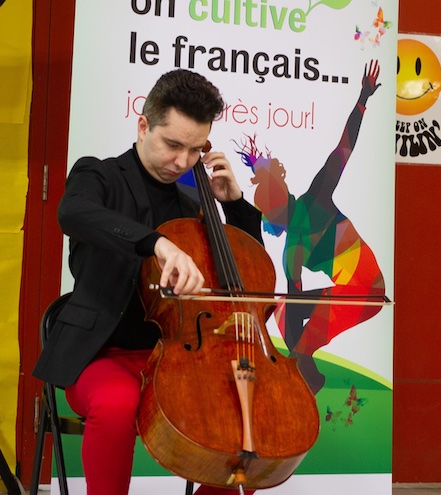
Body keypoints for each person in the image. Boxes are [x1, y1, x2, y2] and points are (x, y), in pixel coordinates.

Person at [33, 69, 262, 495]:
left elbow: (243, 280)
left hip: (178, 361)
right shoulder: (98, 176)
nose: (182, 162)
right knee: (117, 404)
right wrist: (158, 244)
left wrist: (235, 207)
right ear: (143, 124)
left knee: (233, 412)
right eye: (173, 145)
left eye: (195, 150)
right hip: (102, 355)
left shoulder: (195, 201)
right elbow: (74, 214)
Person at [237, 60, 386, 394]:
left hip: (368, 291)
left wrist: (362, 100)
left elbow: (343, 150)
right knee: (283, 310)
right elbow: (291, 304)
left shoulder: (315, 199)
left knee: (295, 331)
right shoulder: (291, 251)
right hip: (349, 295)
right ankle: (304, 372)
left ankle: (303, 373)